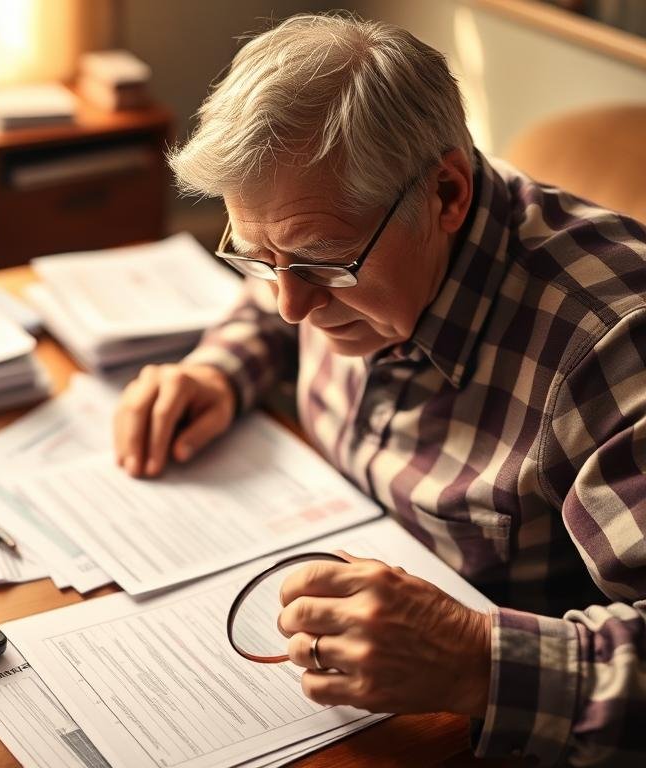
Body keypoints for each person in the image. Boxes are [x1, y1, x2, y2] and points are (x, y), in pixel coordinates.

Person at [112, 12, 646, 766]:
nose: (290, 306)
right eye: (257, 258)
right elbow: (283, 285)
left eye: (324, 263)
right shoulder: (334, 245)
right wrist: (218, 369)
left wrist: (476, 662)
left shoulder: (613, 349)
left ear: (448, 195)